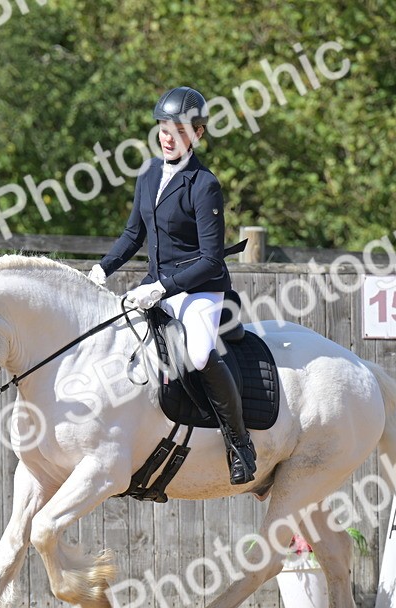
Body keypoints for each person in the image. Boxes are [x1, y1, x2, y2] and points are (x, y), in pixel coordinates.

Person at [90, 86, 256, 485]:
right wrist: (101, 270)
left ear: (197, 135)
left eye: (179, 130)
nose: (168, 136)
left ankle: (240, 444)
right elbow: (133, 235)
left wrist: (163, 288)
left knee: (198, 355)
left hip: (199, 288)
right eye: (164, 127)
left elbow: (210, 258)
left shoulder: (204, 185)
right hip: (156, 283)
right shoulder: (148, 174)